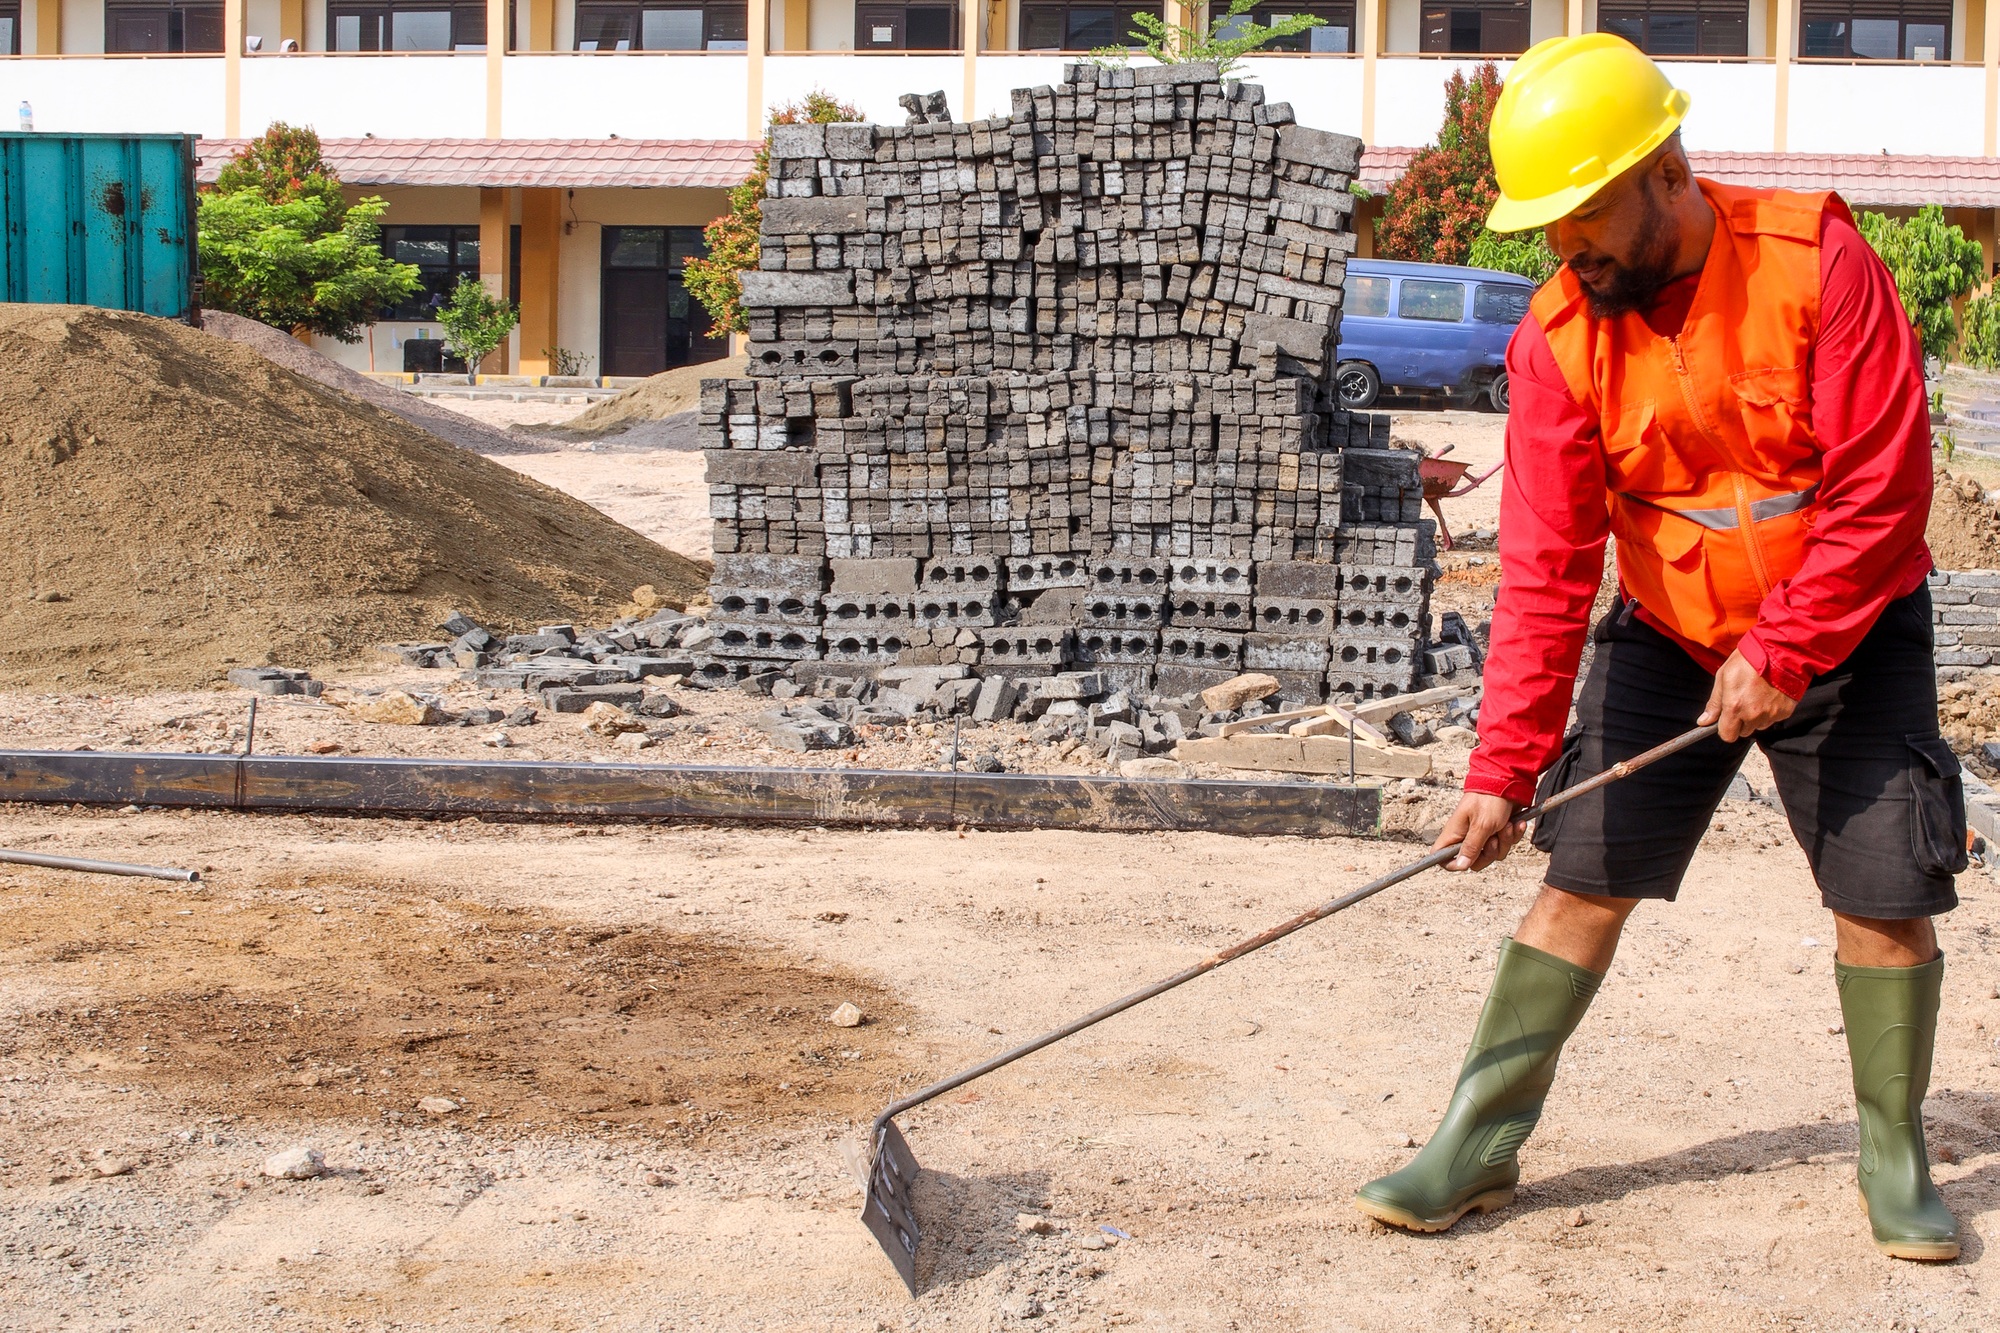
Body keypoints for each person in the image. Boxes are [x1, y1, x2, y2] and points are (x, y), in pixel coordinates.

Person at [1351, 33, 1968, 1261]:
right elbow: (1543, 569)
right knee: (1579, 874)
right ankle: (1474, 1140)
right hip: (1670, 633)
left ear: (1666, 171)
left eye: (1583, 212)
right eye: (1548, 223)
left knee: (1882, 895)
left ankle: (1892, 1155)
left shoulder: (1814, 264)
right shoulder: (1555, 338)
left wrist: (1786, 648)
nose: (1563, 245)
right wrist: (1500, 769)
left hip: (1847, 629)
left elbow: (1881, 491)